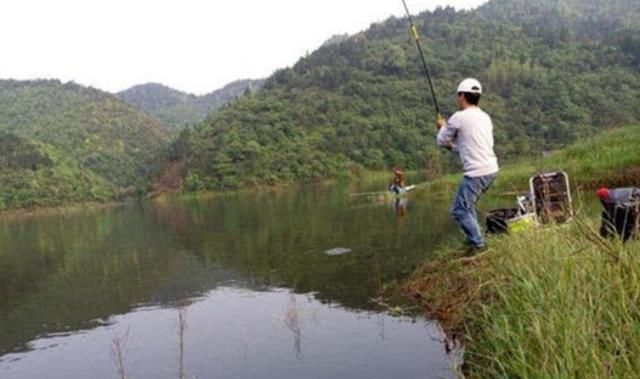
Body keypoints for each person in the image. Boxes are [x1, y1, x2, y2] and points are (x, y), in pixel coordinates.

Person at [436, 78, 499, 254]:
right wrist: (452, 145)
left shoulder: (458, 117)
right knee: (467, 206)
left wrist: (442, 126)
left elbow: (441, 140)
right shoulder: (485, 117)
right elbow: (467, 145)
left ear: (462, 95)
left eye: (458, 95)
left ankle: (478, 244)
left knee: (459, 210)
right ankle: (474, 239)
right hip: (490, 169)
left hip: (476, 173)